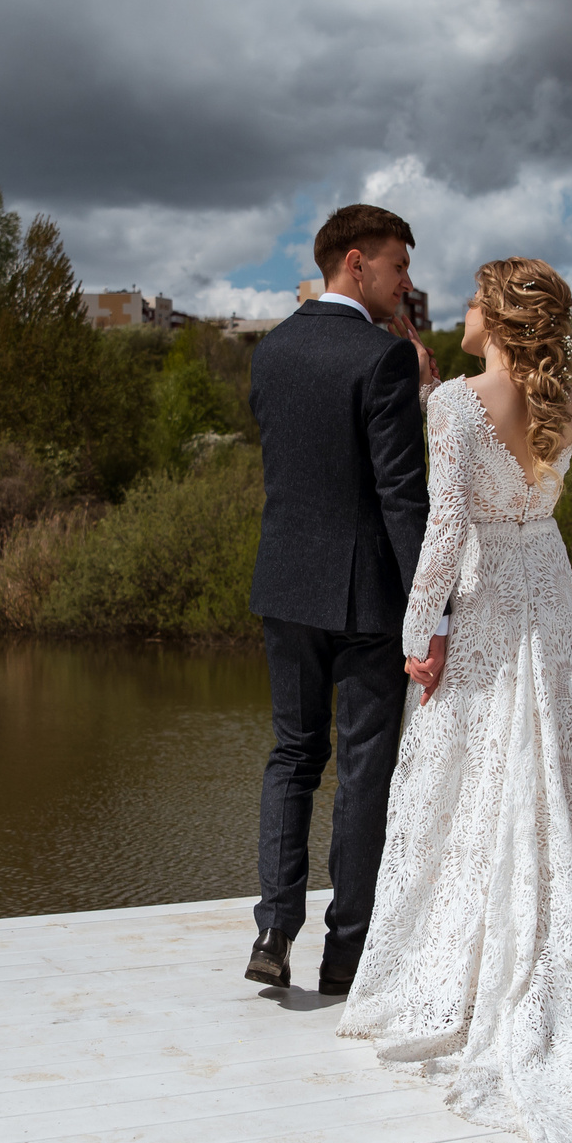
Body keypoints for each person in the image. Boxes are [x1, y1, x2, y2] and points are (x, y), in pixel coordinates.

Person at [337, 257, 572, 1143]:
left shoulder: (457, 408)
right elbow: (519, 491)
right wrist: (446, 397)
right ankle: (544, 944)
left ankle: (466, 967)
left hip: (483, 591)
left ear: (498, 318)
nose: (460, 310)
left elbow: (443, 530)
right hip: (545, 589)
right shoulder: (563, 406)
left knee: (463, 773)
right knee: (545, 759)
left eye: (474, 300)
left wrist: (414, 629)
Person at [243, 203, 439, 996]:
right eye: (398, 266)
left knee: (293, 755)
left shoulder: (270, 352)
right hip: (365, 600)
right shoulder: (381, 359)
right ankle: (344, 955)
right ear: (356, 264)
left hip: (285, 586)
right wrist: (433, 608)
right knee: (363, 773)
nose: (406, 283)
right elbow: (401, 495)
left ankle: (272, 929)